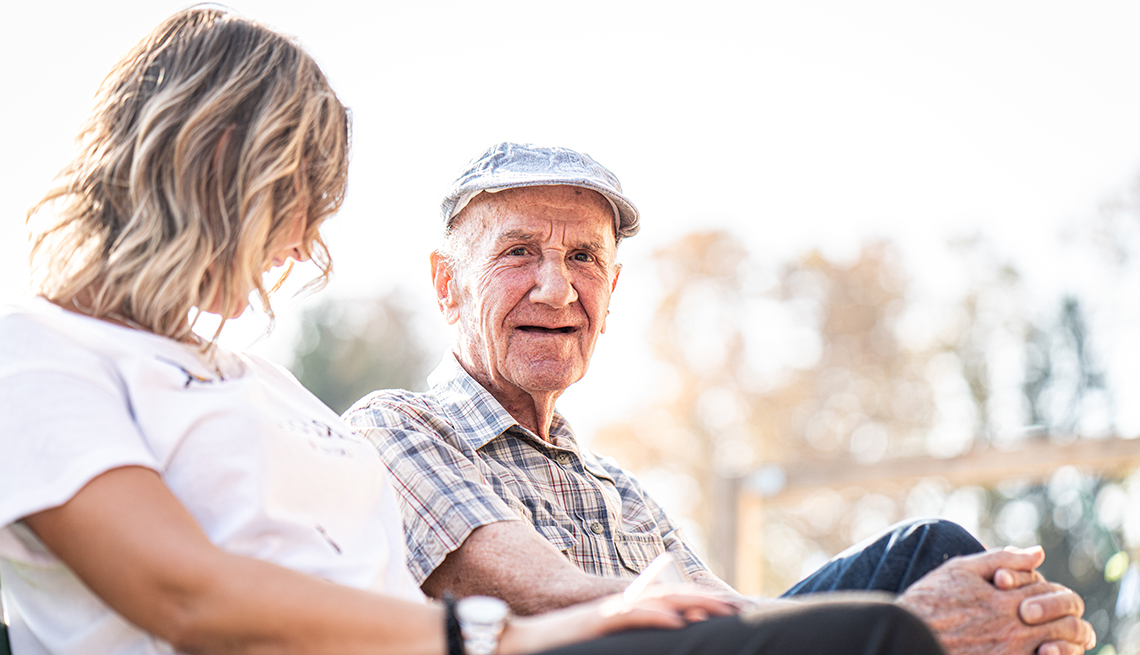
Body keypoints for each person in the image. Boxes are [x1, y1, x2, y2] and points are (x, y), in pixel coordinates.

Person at [0, 11, 847, 655]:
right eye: (293, 200)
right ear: (215, 160)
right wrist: (509, 633)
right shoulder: (36, 355)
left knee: (902, 589)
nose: (302, 247)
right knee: (880, 634)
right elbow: (187, 595)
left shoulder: (257, 380)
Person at [345, 142, 1098, 655]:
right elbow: (551, 596)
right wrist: (897, 630)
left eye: (583, 258)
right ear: (447, 284)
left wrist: (960, 614)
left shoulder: (618, 489)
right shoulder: (396, 427)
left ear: (611, 289)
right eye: (518, 252)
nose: (557, 288)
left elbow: (739, 616)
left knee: (935, 554)